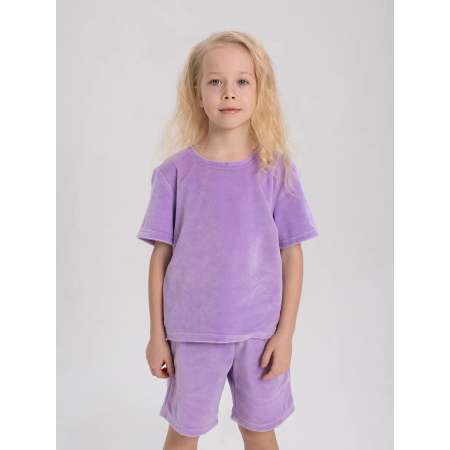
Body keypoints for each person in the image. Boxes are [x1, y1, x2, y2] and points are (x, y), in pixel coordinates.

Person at [136, 30, 319, 450]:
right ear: (197, 93)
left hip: (259, 335)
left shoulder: (277, 172)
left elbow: (292, 255)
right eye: (215, 81)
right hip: (191, 332)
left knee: (259, 432)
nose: (229, 92)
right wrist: (157, 334)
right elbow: (160, 258)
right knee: (184, 433)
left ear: (259, 91)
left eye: (242, 81)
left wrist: (285, 335)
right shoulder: (174, 174)